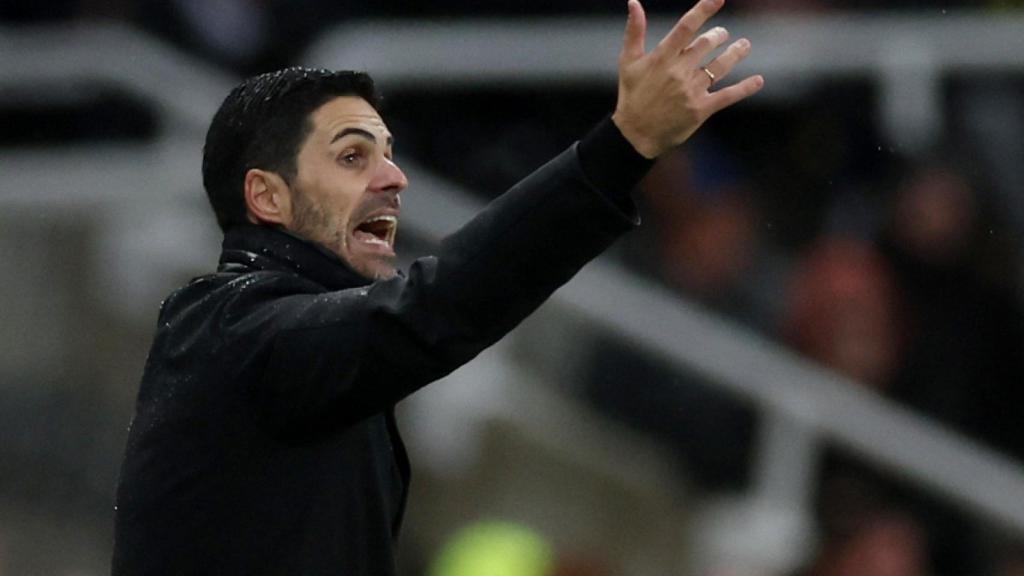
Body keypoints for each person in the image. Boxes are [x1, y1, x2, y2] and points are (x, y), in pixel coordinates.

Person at [111, 0, 763, 573]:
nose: (393, 179)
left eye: (388, 153)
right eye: (351, 157)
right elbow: (433, 307)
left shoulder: (308, 361)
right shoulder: (225, 328)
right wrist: (623, 148)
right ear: (267, 196)